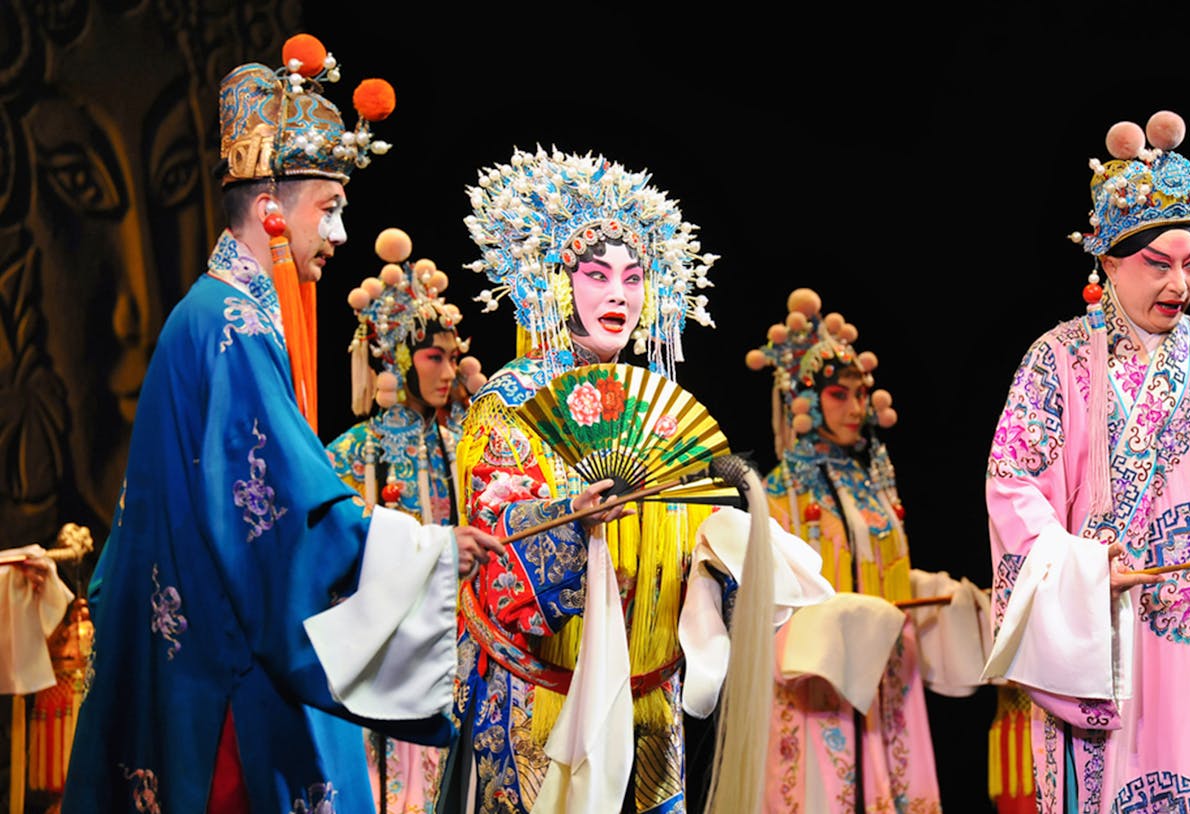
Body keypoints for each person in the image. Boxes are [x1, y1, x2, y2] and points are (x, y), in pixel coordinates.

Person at [62, 35, 501, 814]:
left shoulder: (216, 315)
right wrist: (426, 550)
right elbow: (269, 516)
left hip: (196, 639)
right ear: (271, 210)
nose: (337, 236)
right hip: (222, 667)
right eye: (327, 210)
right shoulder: (231, 325)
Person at [981, 111, 1190, 811]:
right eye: (1157, 264)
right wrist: (1082, 566)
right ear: (1108, 262)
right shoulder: (1055, 360)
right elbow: (1012, 485)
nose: (1178, 283)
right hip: (1104, 629)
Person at [453, 147, 730, 812]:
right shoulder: (511, 399)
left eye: (634, 279)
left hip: (650, 698)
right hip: (547, 696)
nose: (619, 294)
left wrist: (726, 559)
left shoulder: (656, 405)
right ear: (557, 284)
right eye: (598, 274)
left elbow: (690, 536)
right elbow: (490, 541)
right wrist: (571, 521)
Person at [746, 288, 988, 813]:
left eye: (862, 393)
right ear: (803, 399)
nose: (857, 407)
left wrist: (928, 591)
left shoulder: (871, 486)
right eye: (840, 394)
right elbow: (768, 603)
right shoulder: (781, 492)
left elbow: (881, 570)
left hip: (884, 675)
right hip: (815, 681)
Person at [326, 228, 490, 813]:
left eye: (452, 357)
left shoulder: (466, 444)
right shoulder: (352, 452)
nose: (447, 371)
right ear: (398, 357)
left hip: (459, 643)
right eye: (432, 357)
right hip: (385, 647)